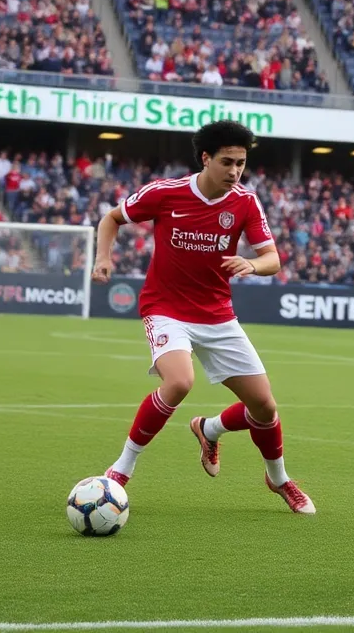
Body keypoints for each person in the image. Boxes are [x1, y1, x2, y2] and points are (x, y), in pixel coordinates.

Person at [91, 121, 315, 514]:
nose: (234, 171)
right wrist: (103, 258)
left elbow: (273, 259)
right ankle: (120, 471)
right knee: (180, 381)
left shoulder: (245, 202)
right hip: (165, 308)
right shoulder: (166, 193)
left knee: (264, 407)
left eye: (241, 163)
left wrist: (252, 264)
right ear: (206, 158)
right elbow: (111, 219)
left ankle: (272, 475)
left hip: (217, 314)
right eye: (227, 162)